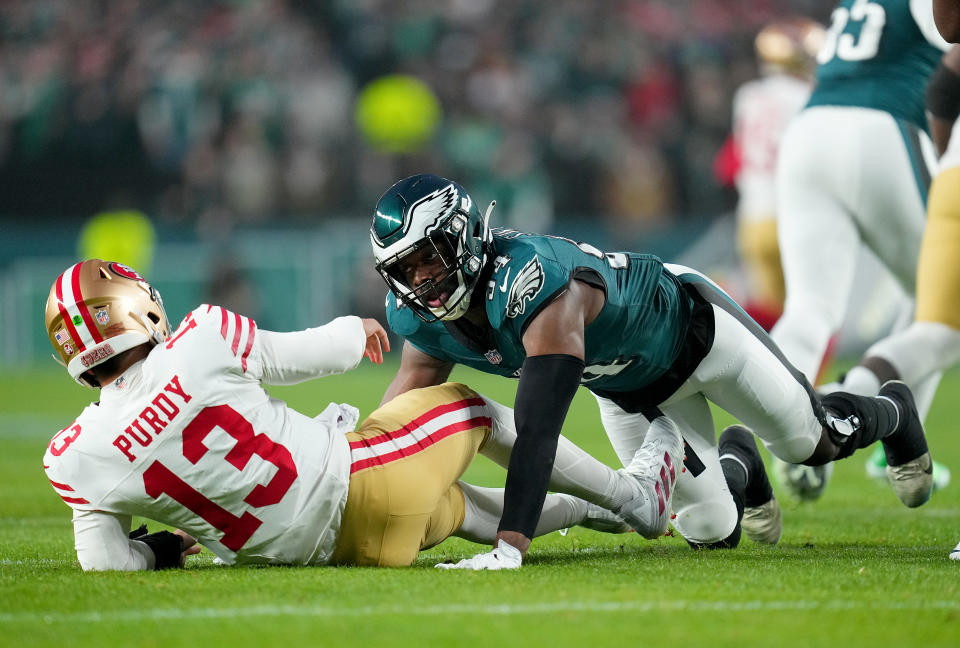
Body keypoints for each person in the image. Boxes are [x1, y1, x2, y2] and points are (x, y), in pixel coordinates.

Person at [369, 173, 934, 569]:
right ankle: (739, 462)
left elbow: (538, 428)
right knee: (711, 530)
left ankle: (894, 411)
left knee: (812, 444)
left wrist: (510, 546)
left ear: (464, 236)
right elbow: (397, 413)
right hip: (628, 391)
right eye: (405, 269)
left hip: (699, 336)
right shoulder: (420, 319)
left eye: (430, 258)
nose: (421, 280)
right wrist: (357, 469)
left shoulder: (533, 280)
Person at [43, 259, 687, 571]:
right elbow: (304, 356)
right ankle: (634, 498)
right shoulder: (202, 335)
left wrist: (167, 545)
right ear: (135, 307)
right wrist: (356, 330)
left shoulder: (74, 456)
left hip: (329, 553)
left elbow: (106, 565)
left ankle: (606, 513)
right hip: (364, 484)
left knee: (468, 509)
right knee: (474, 409)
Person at [768, 0, 951, 500]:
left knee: (810, 309)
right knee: (944, 307)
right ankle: (879, 428)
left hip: (809, 132)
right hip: (883, 125)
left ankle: (784, 433)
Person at [827, 44, 960, 560]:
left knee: (937, 332)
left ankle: (839, 405)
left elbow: (944, 82)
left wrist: (946, 154)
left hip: (952, 176)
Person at [719, 17, 823, 331]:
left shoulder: (747, 96)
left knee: (771, 320)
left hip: (753, 217)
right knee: (812, 314)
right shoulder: (806, 97)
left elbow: (733, 160)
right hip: (794, 215)